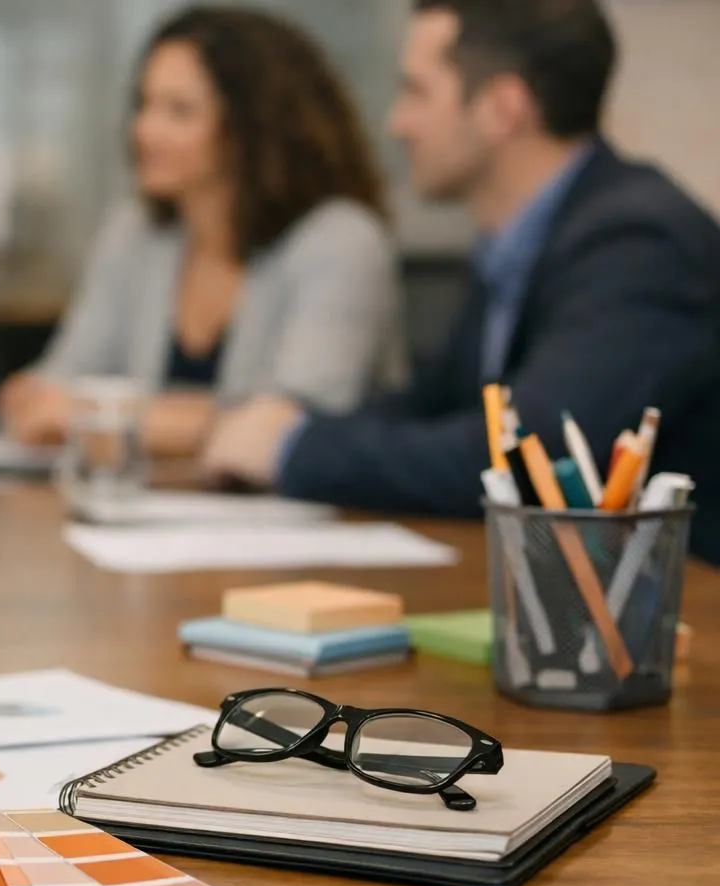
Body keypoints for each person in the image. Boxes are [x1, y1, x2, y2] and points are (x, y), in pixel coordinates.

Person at [204, 0, 720, 561]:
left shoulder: (639, 243)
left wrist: (294, 449)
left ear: (503, 109)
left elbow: (523, 458)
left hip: (672, 621)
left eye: (416, 92)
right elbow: (439, 404)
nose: (395, 122)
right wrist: (288, 425)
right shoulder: (522, 239)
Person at [0, 6, 406, 459]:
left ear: (254, 127)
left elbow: (294, 424)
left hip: (308, 521)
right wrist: (46, 401)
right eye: (144, 104)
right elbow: (52, 391)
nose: (145, 130)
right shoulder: (135, 233)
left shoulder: (341, 241)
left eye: (179, 111)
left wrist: (93, 414)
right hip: (147, 514)